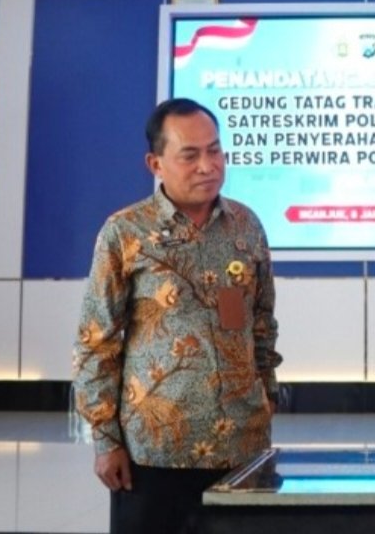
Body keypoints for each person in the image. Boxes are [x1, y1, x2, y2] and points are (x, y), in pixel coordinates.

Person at [72, 98, 282, 534]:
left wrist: (268, 396)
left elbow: (262, 323)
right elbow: (96, 341)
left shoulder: (246, 226)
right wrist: (106, 440)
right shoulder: (125, 233)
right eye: (190, 155)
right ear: (156, 163)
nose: (208, 165)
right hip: (155, 452)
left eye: (215, 150)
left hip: (241, 446)